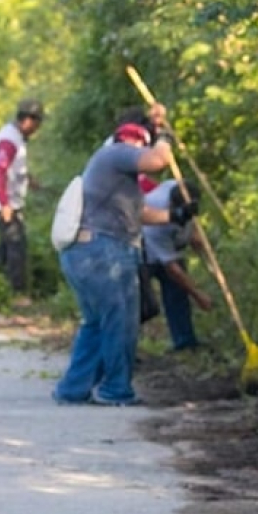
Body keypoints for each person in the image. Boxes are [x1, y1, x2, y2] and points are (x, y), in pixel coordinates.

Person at [52, 121, 197, 406]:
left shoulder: (114, 175)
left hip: (84, 252)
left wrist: (176, 216)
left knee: (97, 323)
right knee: (121, 321)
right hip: (103, 251)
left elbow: (140, 213)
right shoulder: (116, 153)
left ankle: (73, 389)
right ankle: (115, 389)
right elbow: (158, 160)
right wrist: (165, 137)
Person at [0, 97, 45, 303]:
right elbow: (0, 170)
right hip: (1, 202)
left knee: (6, 245)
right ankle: (17, 294)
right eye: (37, 123)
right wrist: (4, 204)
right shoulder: (9, 139)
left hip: (5, 201)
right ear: (28, 121)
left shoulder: (15, 137)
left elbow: (13, 167)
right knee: (17, 244)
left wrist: (27, 177)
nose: (37, 128)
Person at [142, 181, 213, 350]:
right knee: (143, 304)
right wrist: (198, 295)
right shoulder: (157, 219)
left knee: (178, 294)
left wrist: (195, 236)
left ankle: (185, 341)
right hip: (142, 250)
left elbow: (192, 222)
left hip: (171, 243)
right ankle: (123, 349)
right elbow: (173, 268)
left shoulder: (182, 188)